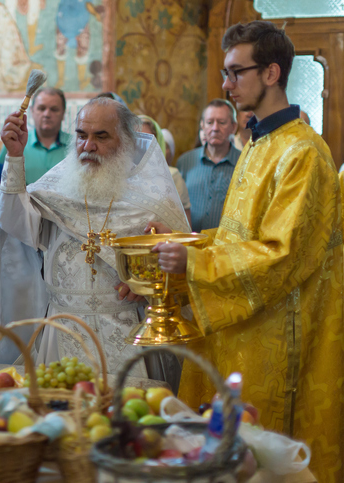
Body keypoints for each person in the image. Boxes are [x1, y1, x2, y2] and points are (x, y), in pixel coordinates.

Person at [152, 21, 343, 481]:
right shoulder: (259, 143)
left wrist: (195, 261)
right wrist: (185, 241)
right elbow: (238, 235)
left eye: (237, 72)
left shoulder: (302, 153)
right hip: (241, 330)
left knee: (264, 460)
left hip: (278, 341)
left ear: (271, 73)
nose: (226, 84)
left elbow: (283, 254)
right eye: (225, 72)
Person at [0, 97, 189, 379]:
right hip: (62, 332)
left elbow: (183, 270)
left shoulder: (153, 201)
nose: (88, 146)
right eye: (82, 135)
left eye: (101, 136)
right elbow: (13, 223)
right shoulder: (54, 190)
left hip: (128, 334)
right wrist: (14, 157)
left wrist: (153, 281)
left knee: (125, 407)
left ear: (126, 141)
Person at [176, 99, 241, 232]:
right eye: (210, 122)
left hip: (228, 241)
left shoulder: (244, 162)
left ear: (233, 127)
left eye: (222, 122)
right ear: (202, 126)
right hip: (190, 241)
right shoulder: (185, 162)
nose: (215, 128)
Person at [0, 87, 71, 184]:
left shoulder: (76, 145)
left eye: (54, 109)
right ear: (32, 111)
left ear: (63, 113)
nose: (47, 114)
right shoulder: (15, 141)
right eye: (41, 108)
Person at [139, 117, 192, 225]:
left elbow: (184, 227)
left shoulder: (172, 176)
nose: (141, 144)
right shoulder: (120, 177)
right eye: (136, 138)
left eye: (148, 139)